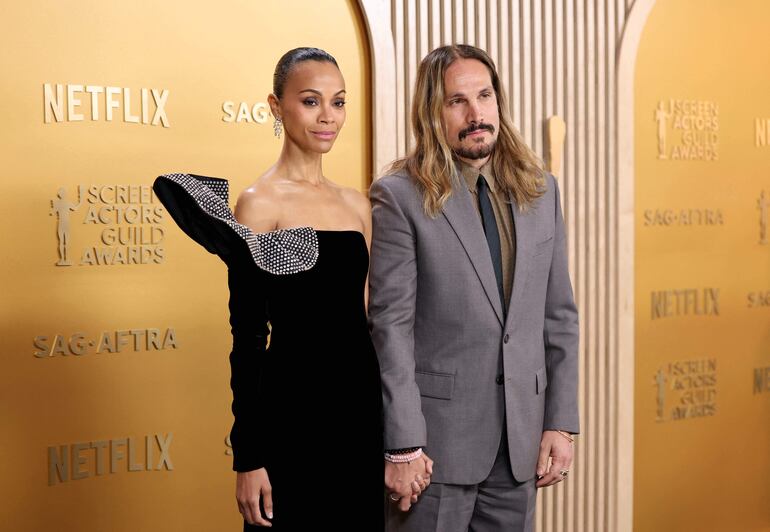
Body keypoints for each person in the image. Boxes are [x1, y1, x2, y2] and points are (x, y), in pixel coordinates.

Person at [154, 47, 385, 530]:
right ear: (275, 106)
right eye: (311, 101)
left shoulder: (357, 205)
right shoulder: (258, 205)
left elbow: (371, 321)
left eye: (338, 102)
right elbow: (248, 338)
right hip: (292, 415)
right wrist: (249, 458)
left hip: (360, 414)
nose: (329, 117)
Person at [368, 44, 579, 532]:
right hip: (434, 452)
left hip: (520, 447)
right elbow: (390, 326)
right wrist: (403, 443)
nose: (475, 113)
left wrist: (560, 422)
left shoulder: (541, 191)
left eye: (484, 96)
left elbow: (559, 316)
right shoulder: (400, 196)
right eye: (456, 101)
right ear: (431, 113)